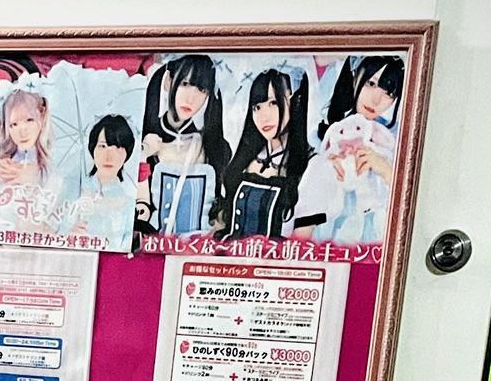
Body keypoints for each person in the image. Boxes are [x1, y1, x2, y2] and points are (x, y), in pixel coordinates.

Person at [294, 54, 403, 244]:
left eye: (389, 93)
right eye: (371, 83)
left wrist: (385, 169)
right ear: (355, 76)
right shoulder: (328, 144)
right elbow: (302, 232)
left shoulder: (391, 147)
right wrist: (326, 173)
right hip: (327, 245)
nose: (376, 100)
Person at [138, 52, 230, 235]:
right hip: (151, 246)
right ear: (168, 81)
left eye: (201, 89)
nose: (191, 98)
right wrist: (142, 156)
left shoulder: (214, 148)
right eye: (185, 84)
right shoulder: (144, 140)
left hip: (196, 248)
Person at [221, 68, 311, 241]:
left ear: (294, 99)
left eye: (273, 103)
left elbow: (303, 244)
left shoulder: (312, 164)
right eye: (257, 107)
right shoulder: (247, 157)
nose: (264, 117)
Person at [64, 113, 137, 244]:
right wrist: (69, 237)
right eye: (103, 146)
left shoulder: (129, 205)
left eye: (118, 147)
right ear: (93, 148)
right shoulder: (73, 190)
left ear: (127, 153)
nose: (109, 156)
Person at [0, 85, 57, 201]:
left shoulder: (51, 166)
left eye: (29, 120)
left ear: (42, 116)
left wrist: (33, 182)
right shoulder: (1, 163)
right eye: (14, 124)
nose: (22, 132)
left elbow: (56, 199)